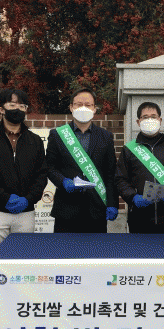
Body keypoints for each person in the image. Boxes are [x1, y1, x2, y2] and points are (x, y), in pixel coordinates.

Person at [0, 89, 48, 258]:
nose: (17, 109)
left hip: (25, 213)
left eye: (22, 106)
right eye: (12, 105)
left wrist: (28, 199)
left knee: (22, 261)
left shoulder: (34, 141)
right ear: (1, 109)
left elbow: (41, 175)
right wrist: (5, 198)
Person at [46, 87, 118, 233]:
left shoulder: (105, 136)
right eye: (78, 104)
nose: (83, 108)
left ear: (94, 109)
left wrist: (112, 203)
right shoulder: (57, 135)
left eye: (88, 105)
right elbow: (49, 167)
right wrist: (63, 181)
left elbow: (110, 173)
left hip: (97, 209)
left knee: (96, 248)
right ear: (71, 107)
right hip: (66, 209)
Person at [115, 102, 164, 233]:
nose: (150, 120)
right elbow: (120, 179)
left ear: (160, 120)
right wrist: (133, 197)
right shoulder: (129, 149)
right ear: (138, 122)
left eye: (153, 117)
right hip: (139, 218)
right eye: (145, 117)